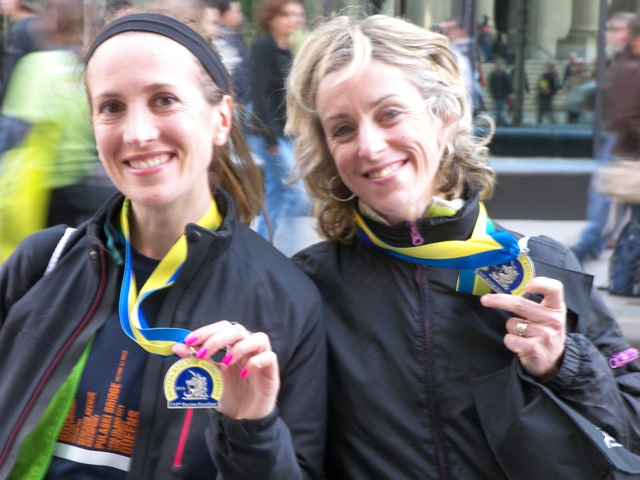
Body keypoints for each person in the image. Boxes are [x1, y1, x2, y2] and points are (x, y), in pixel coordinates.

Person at [286, 13, 640, 478]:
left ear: (444, 115)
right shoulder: (307, 286)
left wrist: (564, 363)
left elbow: (631, 430)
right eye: (342, 129)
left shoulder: (542, 265)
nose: (369, 146)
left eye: (389, 113)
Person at [0, 8, 326, 479]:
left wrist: (253, 431)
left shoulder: (286, 300)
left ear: (221, 119)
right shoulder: (42, 263)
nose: (137, 133)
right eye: (111, 107)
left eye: (165, 100)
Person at [0, 0, 115, 262]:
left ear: (52, 21)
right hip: (82, 185)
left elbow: (14, 131)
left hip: (42, 189)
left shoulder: (39, 65)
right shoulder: (86, 69)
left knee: (35, 259)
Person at [571, 12, 639, 264]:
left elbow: (625, 114)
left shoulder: (629, 63)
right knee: (610, 210)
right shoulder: (625, 62)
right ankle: (584, 253)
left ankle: (585, 252)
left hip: (624, 147)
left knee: (610, 209)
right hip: (624, 146)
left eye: (617, 28)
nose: (609, 33)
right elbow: (623, 113)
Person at [249, 0, 310, 249]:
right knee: (297, 195)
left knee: (277, 194)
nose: (296, 20)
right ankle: (284, 248)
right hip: (270, 134)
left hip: (286, 132)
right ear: (272, 17)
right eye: (288, 14)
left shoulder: (288, 48)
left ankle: (266, 246)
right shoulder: (265, 46)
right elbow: (259, 94)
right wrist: (271, 138)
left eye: (298, 15)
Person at [488, 56, 511, 126]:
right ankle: (505, 124)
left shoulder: (503, 74)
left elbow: (508, 85)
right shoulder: (493, 74)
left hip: (502, 96)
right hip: (496, 96)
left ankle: (499, 124)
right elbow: (491, 85)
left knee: (497, 111)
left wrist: (508, 93)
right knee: (498, 112)